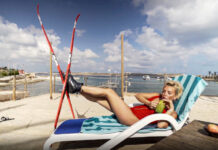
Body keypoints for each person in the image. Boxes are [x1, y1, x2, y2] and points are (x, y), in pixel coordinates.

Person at [67, 74, 183, 128]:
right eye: (164, 91)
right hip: (128, 111)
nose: (164, 94)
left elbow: (161, 125)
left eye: (169, 93)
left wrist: (170, 109)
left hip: (133, 120)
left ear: (175, 97)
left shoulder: (172, 112)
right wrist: (148, 103)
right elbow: (138, 95)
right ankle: (76, 89)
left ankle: (77, 87)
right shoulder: (157, 96)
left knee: (109, 92)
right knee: (99, 98)